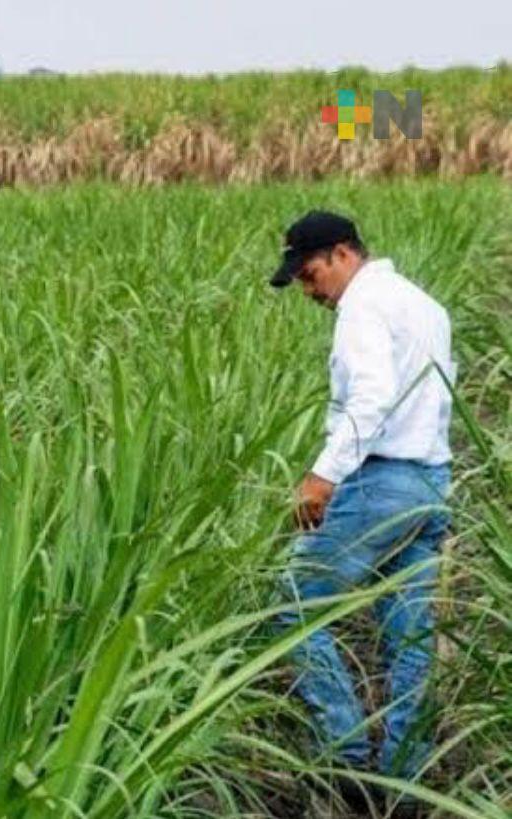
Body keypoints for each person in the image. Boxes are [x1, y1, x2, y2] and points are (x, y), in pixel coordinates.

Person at [269, 211, 454, 814]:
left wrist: (322, 478)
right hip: (430, 485)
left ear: (344, 254)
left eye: (310, 273)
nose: (308, 289)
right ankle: (405, 782)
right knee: (411, 638)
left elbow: (371, 398)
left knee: (292, 602)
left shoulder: (362, 308)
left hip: (382, 484)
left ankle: (345, 757)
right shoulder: (423, 305)